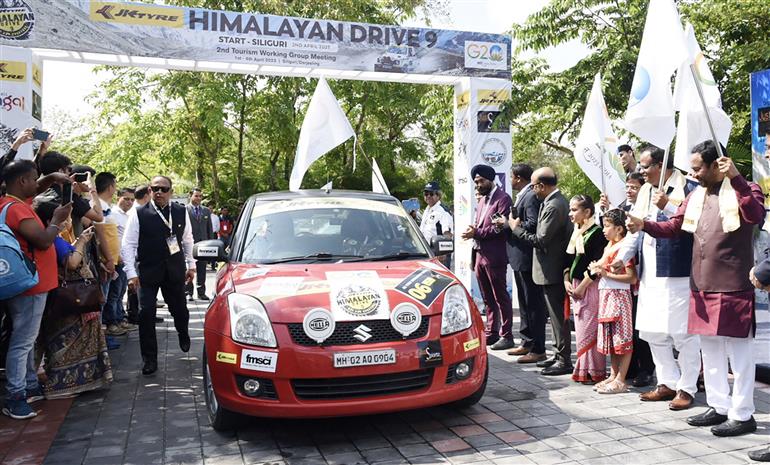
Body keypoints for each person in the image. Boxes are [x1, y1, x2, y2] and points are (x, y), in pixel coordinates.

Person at [628, 141, 764, 437]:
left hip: (733, 285)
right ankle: (719, 406)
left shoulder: (747, 188)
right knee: (711, 351)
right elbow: (675, 227)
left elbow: (755, 215)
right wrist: (645, 225)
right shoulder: (696, 195)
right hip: (701, 284)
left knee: (739, 354)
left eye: (698, 167)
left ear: (718, 165)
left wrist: (737, 178)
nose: (694, 173)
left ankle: (742, 414)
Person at [623, 145, 701, 411]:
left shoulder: (688, 187)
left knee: (683, 334)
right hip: (650, 274)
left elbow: (690, 224)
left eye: (645, 166)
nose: (641, 171)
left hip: (677, 271)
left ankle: (687, 387)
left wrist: (667, 206)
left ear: (661, 165)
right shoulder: (645, 191)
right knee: (653, 331)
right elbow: (637, 227)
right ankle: (667, 382)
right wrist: (620, 257)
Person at [0, 160, 71, 419]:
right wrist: (56, 222)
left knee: (27, 340)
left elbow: (33, 187)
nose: (37, 183)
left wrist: (51, 178)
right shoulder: (18, 210)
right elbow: (42, 241)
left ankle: (29, 385)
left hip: (30, 284)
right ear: (21, 182)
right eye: (33, 179)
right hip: (31, 286)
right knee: (23, 341)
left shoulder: (10, 202)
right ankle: (15, 396)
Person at [33, 203, 113, 399]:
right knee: (63, 342)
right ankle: (61, 383)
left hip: (68, 298)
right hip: (69, 301)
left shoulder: (56, 238)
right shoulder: (54, 241)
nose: (68, 221)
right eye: (64, 218)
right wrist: (82, 241)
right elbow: (71, 262)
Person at [121, 176, 195, 376]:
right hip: (148, 270)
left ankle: (183, 332)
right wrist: (131, 273)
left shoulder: (180, 211)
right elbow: (128, 244)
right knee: (146, 314)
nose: (159, 192)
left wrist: (192, 265)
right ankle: (149, 359)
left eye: (163, 189)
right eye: (155, 189)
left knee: (180, 309)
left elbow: (187, 240)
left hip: (174, 270)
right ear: (150, 191)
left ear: (171, 191)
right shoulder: (138, 214)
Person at [509, 167, 573, 376]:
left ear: (542, 186)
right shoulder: (552, 202)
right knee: (553, 318)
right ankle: (557, 355)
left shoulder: (554, 205)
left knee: (557, 317)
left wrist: (515, 227)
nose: (533, 190)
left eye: (535, 186)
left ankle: (563, 359)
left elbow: (541, 239)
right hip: (549, 268)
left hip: (552, 269)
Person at [493, 163, 546, 363]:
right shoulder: (523, 195)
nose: (510, 180)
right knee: (523, 304)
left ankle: (538, 347)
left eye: (512, 177)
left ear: (518, 177)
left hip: (526, 256)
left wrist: (507, 224)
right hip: (517, 256)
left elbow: (532, 224)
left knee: (533, 304)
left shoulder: (531, 196)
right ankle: (526, 342)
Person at [460, 164, 513, 350]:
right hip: (479, 255)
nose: (478, 185)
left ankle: (506, 335)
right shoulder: (482, 200)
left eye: (481, 181)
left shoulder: (503, 199)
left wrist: (476, 233)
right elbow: (480, 225)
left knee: (500, 296)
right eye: (476, 182)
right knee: (487, 297)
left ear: (491, 179)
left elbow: (499, 228)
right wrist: (472, 231)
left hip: (495, 256)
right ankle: (492, 332)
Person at [590, 209, 637, 394]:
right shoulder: (609, 246)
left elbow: (632, 278)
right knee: (611, 336)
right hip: (607, 294)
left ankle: (621, 379)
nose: (604, 229)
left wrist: (606, 273)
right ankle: (613, 374)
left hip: (620, 295)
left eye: (607, 226)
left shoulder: (625, 248)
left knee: (622, 338)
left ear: (619, 229)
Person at [564, 195, 607, 384]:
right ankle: (582, 368)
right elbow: (568, 260)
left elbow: (597, 265)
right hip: (575, 285)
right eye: (570, 209)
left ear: (587, 212)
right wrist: (566, 280)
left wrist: (582, 286)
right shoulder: (575, 232)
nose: (570, 213)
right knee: (580, 328)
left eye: (574, 210)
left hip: (589, 285)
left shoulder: (597, 233)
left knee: (590, 327)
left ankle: (594, 371)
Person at [93, 172, 134, 336]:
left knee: (115, 293)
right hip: (107, 261)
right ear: (111, 187)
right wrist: (109, 259)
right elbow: (100, 235)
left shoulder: (105, 206)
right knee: (106, 297)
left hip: (115, 259)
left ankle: (110, 326)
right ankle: (104, 330)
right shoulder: (99, 207)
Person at [185, 188, 214, 301]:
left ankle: (201, 292)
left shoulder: (206, 211)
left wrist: (211, 243)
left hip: (203, 245)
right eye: (196, 196)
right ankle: (188, 292)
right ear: (191, 196)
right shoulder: (185, 210)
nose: (198, 198)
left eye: (200, 196)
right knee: (190, 268)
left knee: (202, 269)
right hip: (189, 244)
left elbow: (209, 228)